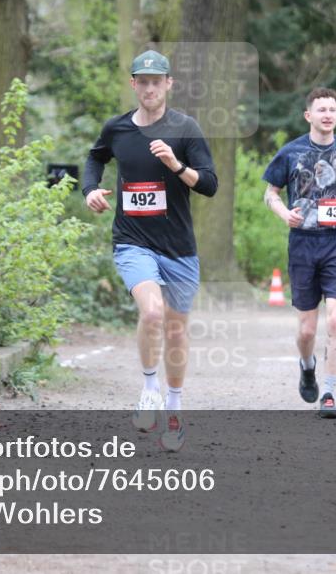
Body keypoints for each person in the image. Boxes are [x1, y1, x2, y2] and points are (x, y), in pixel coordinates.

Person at [82, 50, 218, 450]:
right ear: (133, 85)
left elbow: (209, 184)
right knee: (153, 311)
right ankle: (147, 388)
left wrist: (176, 165)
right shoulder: (118, 129)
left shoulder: (185, 128)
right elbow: (95, 157)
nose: (150, 88)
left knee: (175, 330)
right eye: (143, 81)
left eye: (156, 81)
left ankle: (173, 408)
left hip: (178, 247)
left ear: (168, 85)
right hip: (132, 240)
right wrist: (91, 189)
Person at [262, 88, 336, 418]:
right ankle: (307, 366)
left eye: (333, 109)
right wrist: (285, 215)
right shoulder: (291, 152)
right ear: (308, 115)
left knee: (335, 320)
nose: (328, 114)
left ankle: (329, 393)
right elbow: (271, 194)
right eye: (321, 109)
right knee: (307, 331)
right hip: (303, 244)